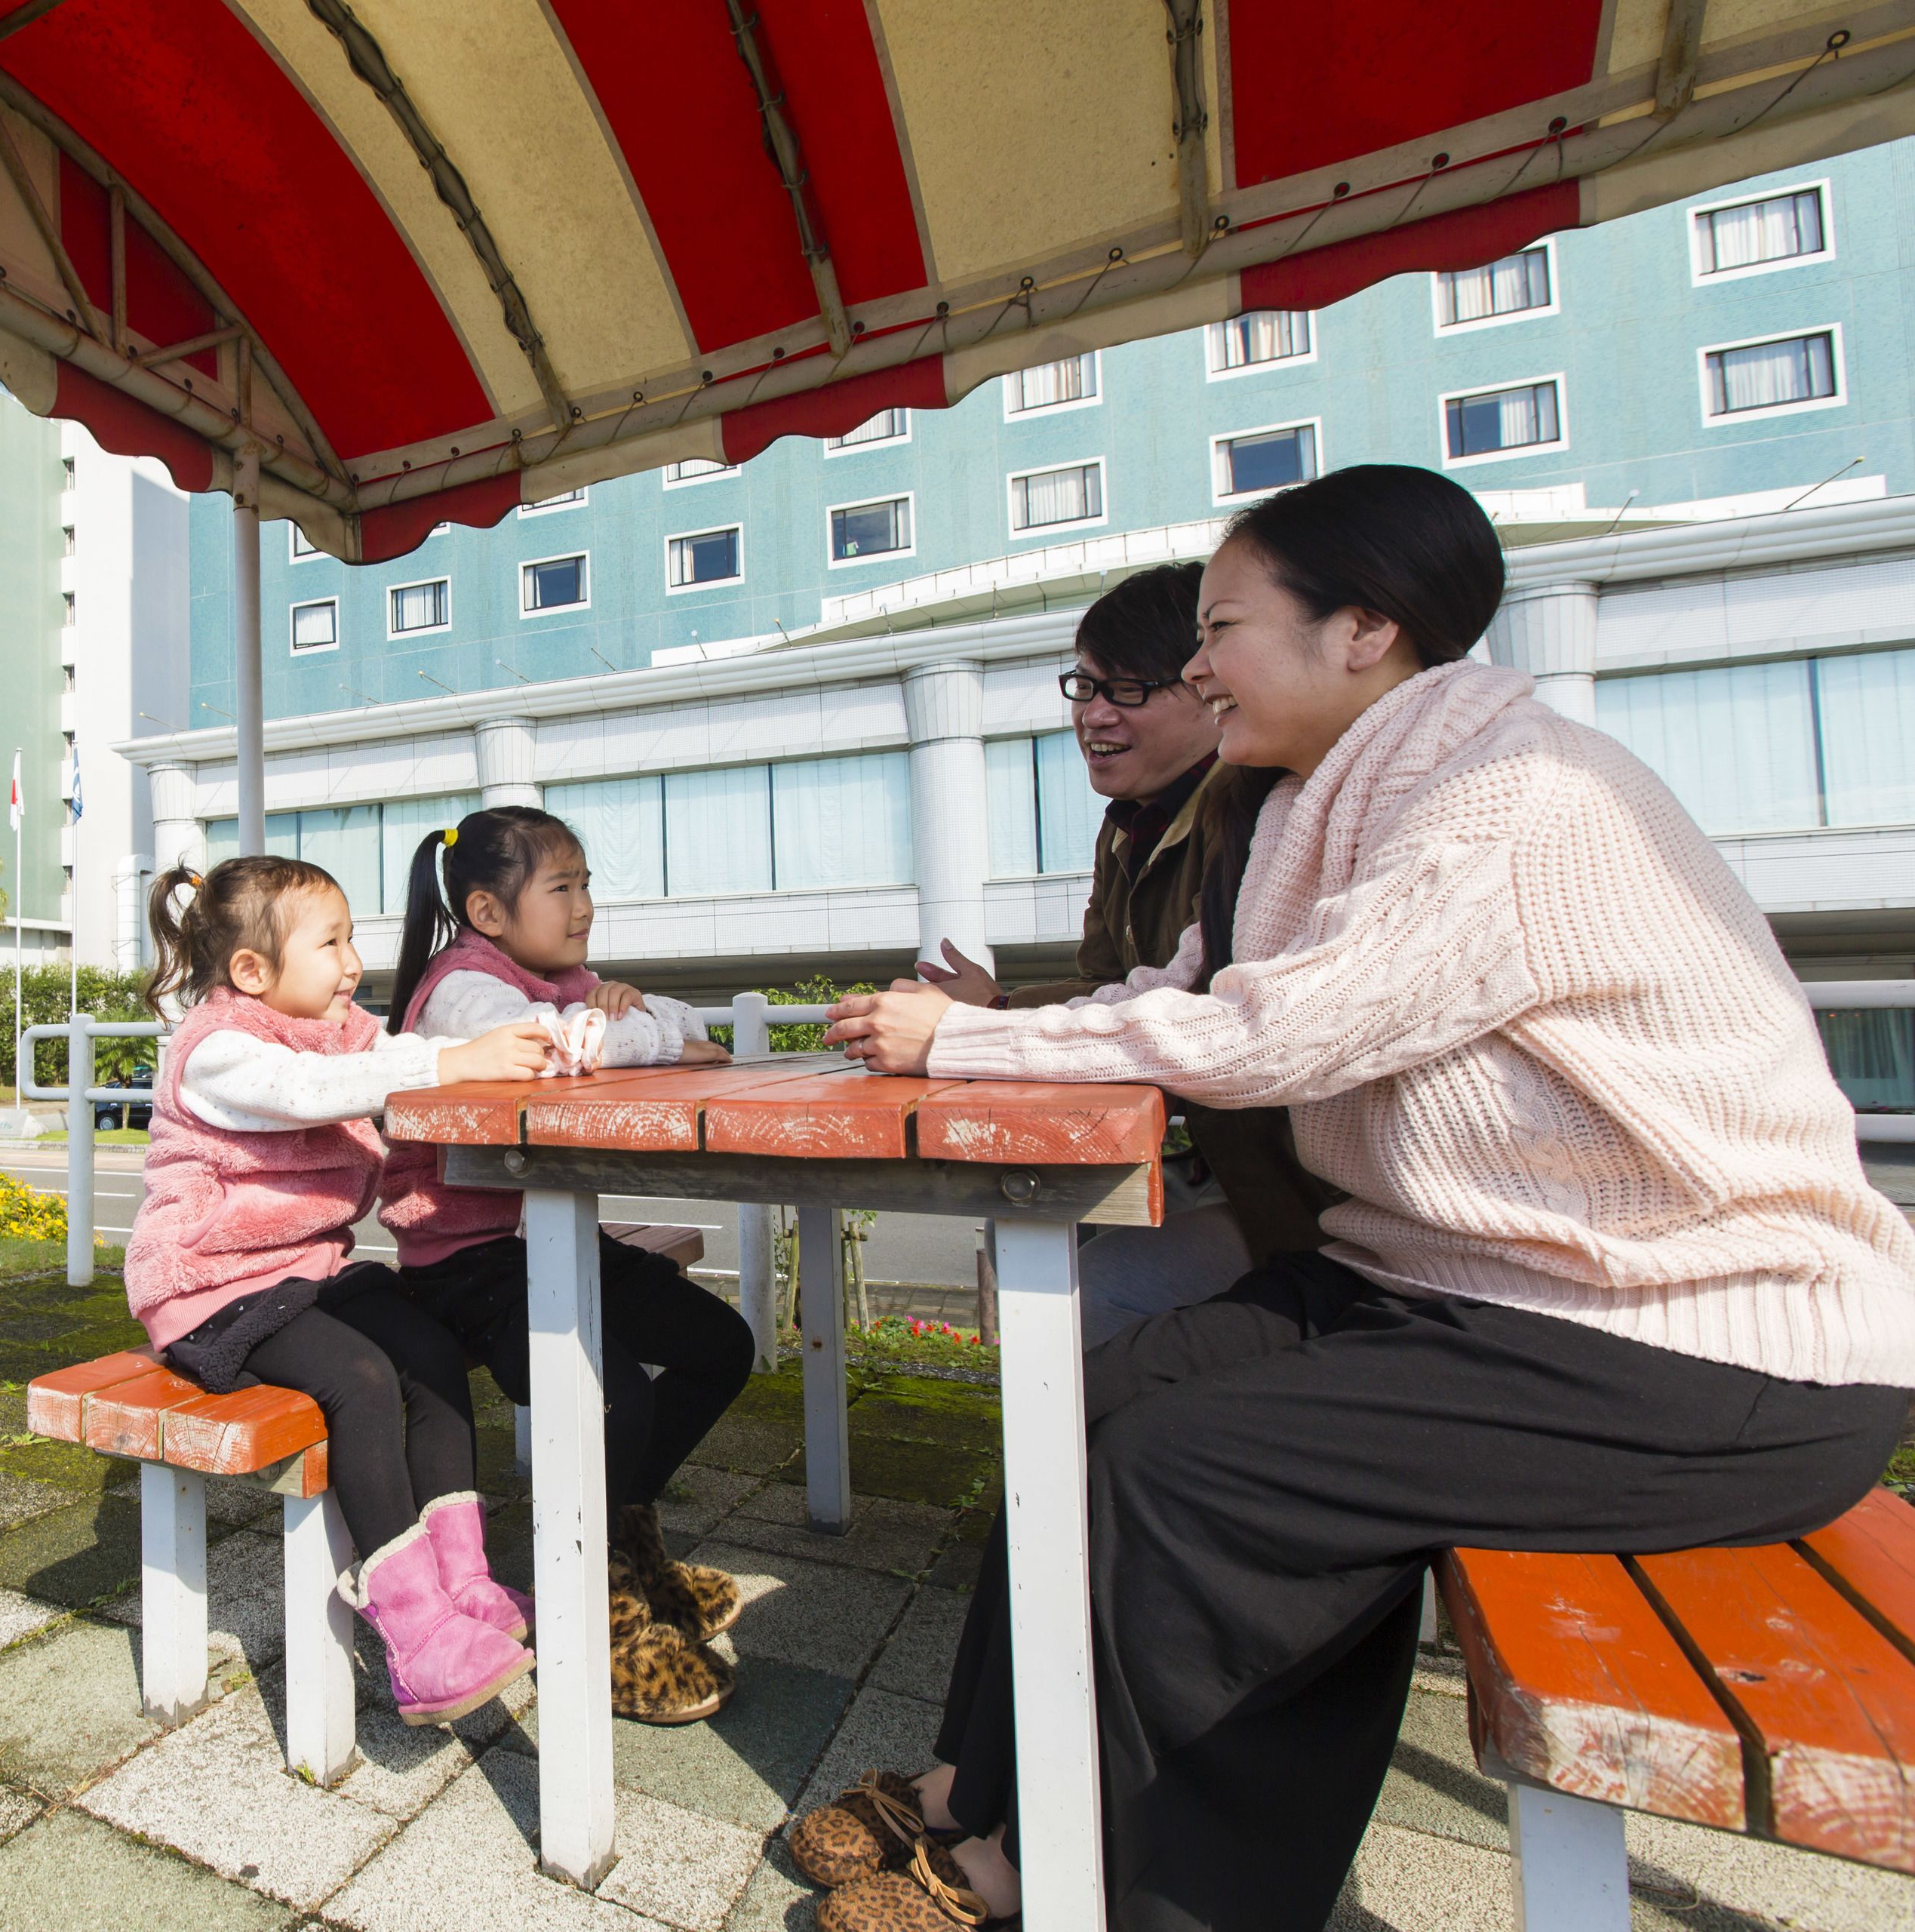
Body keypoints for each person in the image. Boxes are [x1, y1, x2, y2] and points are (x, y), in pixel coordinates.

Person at [797, 465, 1914, 1932]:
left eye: (1222, 628)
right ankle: (994, 1801)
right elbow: (1196, 993)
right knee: (1076, 1406)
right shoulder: (1328, 800)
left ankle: (1138, 1894)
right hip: (1480, 1291)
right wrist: (986, 1032)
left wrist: (968, 1036)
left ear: (1363, 630)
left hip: (1703, 1337)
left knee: (1189, 1475)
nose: (1196, 668)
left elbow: (1279, 1032)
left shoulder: (1508, 796)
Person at [121, 854, 559, 1728]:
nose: (353, 961)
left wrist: (512, 1049)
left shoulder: (338, 1027)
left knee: (432, 1351)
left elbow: (389, 1057)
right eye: (331, 943)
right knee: (359, 1379)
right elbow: (305, 1092)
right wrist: (451, 1060)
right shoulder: (218, 1049)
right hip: (211, 1287)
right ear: (253, 971)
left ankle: (462, 1578)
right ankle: (414, 1633)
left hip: (304, 1269)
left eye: (352, 938)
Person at [381, 805, 758, 1724]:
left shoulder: (555, 976)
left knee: (720, 1345)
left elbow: (668, 1020)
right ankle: (595, 1603)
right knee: (611, 1396)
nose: (585, 904)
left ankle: (623, 1535)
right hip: (464, 1262)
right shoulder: (466, 987)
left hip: (548, 1235)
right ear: (487, 910)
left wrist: (631, 1014)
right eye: (564, 886)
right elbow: (558, 1052)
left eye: (587, 883)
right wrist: (629, 1029)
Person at [921, 561, 1333, 1337]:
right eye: (1085, 688)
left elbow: (1206, 1010)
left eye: (1129, 690)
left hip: (1291, 1191)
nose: (1096, 716)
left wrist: (984, 1024)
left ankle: (1114, 1446)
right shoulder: (1133, 823)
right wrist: (998, 1009)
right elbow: (1108, 981)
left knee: (1084, 1291)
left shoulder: (1263, 814)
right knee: (1033, 1242)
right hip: (1210, 1158)